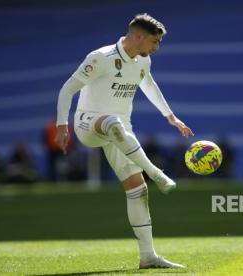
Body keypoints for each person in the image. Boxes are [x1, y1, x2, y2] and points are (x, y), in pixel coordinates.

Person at [55, 13, 193, 269]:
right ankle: (157, 173)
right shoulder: (100, 57)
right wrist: (62, 125)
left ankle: (148, 256)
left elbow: (149, 86)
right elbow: (67, 89)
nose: (157, 47)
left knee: (137, 190)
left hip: (121, 133)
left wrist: (171, 117)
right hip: (89, 124)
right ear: (139, 36)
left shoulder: (143, 61)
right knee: (113, 123)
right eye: (155, 41)